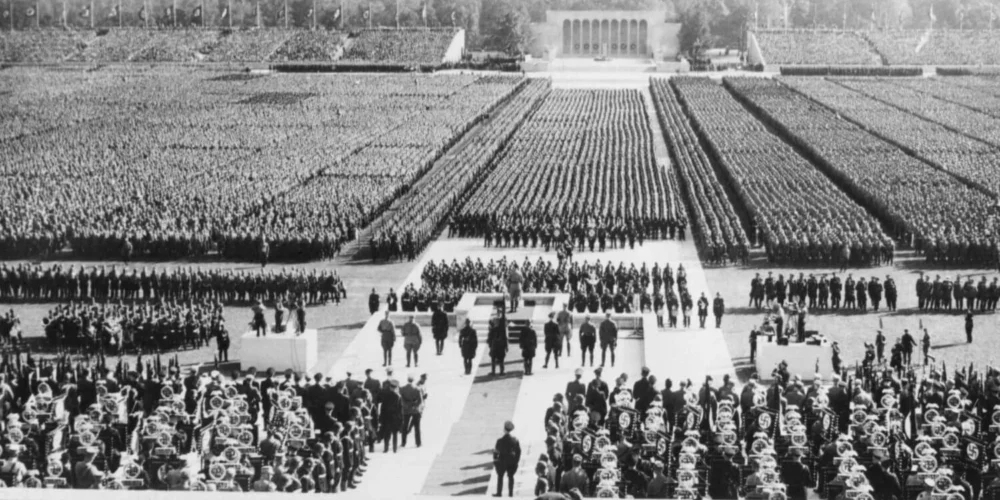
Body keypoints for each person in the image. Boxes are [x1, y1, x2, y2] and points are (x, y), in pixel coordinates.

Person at [493, 421, 521, 498]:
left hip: (502, 461)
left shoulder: (500, 441)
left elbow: (496, 453)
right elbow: (518, 451)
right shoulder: (515, 440)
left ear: (504, 430)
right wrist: (516, 461)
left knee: (500, 477)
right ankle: (510, 493)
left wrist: (495, 461)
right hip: (511, 461)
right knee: (511, 477)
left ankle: (499, 493)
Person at [380, 379, 403, 453]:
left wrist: (381, 417)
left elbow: (382, 407)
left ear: (390, 387)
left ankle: (386, 448)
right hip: (395, 418)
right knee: (395, 434)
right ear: (396, 387)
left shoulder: (386, 395)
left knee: (387, 433)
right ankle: (394, 449)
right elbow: (400, 409)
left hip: (387, 417)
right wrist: (400, 419)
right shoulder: (398, 396)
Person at [400, 375, 423, 448]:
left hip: (406, 410)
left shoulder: (402, 389)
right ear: (413, 380)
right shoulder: (417, 389)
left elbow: (402, 400)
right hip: (415, 410)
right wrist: (414, 406)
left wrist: (406, 405)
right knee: (417, 427)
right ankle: (418, 443)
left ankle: (403, 442)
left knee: (404, 426)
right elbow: (420, 401)